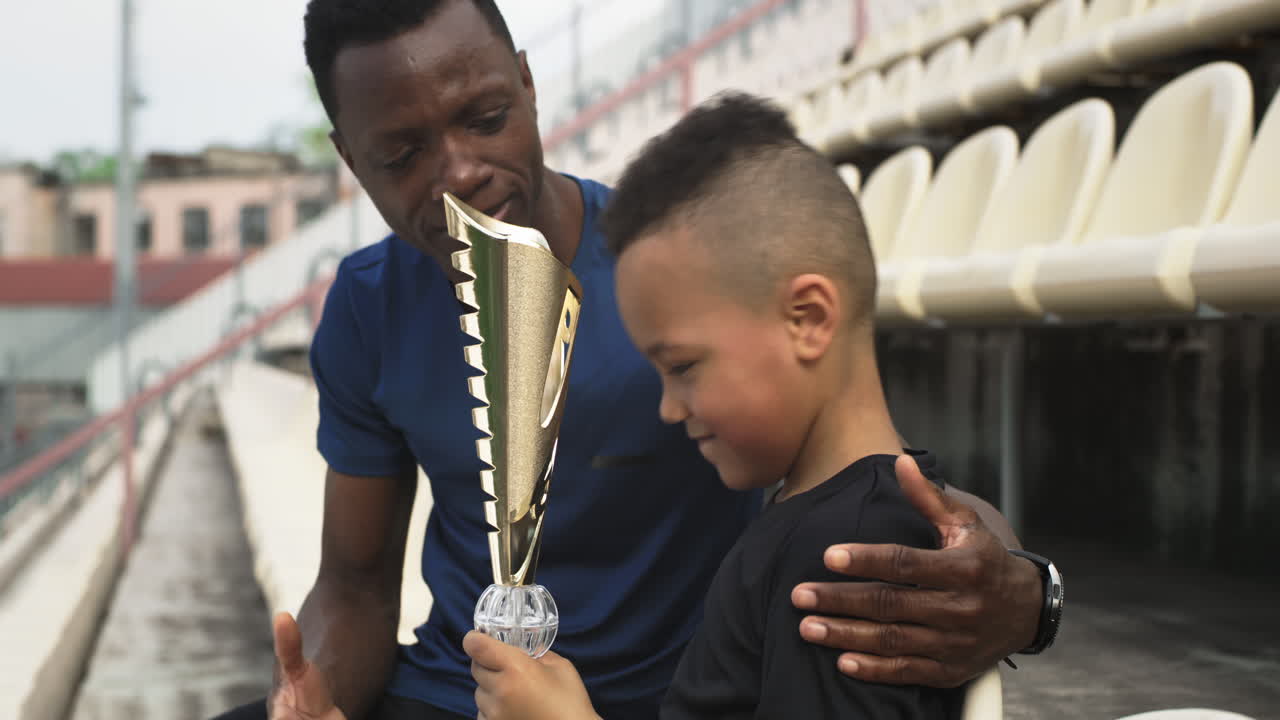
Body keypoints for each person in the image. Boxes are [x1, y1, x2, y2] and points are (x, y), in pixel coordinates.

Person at [215, 2, 1056, 720]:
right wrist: (313, 692)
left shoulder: (674, 277)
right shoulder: (368, 306)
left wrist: (1025, 590)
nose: (460, 173)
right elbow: (357, 582)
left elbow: (876, 487)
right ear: (351, 159)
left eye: (484, 118)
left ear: (530, 86)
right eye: (402, 156)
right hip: (459, 691)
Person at [463, 91, 965, 720]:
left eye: (683, 368)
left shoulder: (845, 558)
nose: (669, 409)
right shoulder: (827, 517)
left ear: (806, 319)